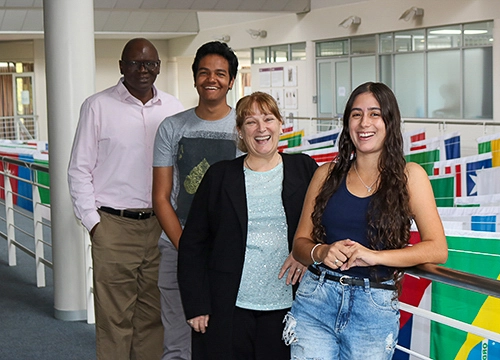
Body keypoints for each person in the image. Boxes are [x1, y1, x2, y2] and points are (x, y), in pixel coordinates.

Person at [284, 82, 448, 360]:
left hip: (373, 307)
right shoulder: (326, 174)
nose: (364, 123)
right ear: (347, 122)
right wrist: (321, 251)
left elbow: (437, 249)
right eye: (356, 114)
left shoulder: (411, 176)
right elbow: (300, 244)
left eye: (374, 113)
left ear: (390, 122)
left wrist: (375, 257)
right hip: (316, 300)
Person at [177, 92, 318, 359]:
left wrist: (306, 253)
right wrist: (196, 304)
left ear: (280, 124)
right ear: (240, 131)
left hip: (290, 308)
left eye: (268, 118)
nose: (261, 128)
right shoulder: (219, 176)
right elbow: (193, 244)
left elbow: (326, 223)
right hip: (228, 308)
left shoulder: (305, 169)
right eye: (251, 122)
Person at [68, 38, 184, 360]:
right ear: (122, 67)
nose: (143, 70)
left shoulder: (174, 109)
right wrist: (95, 225)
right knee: (114, 319)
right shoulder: (97, 106)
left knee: (152, 318)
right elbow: (79, 170)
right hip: (114, 227)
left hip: (161, 226)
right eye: (135, 63)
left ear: (159, 67)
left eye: (150, 64)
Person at [152, 41, 241, 360]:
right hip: (178, 245)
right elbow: (161, 197)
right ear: (194, 78)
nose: (211, 79)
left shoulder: (245, 129)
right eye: (204, 72)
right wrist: (188, 247)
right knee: (177, 343)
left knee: (225, 340)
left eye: (220, 73)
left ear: (231, 80)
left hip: (230, 250)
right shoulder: (172, 127)